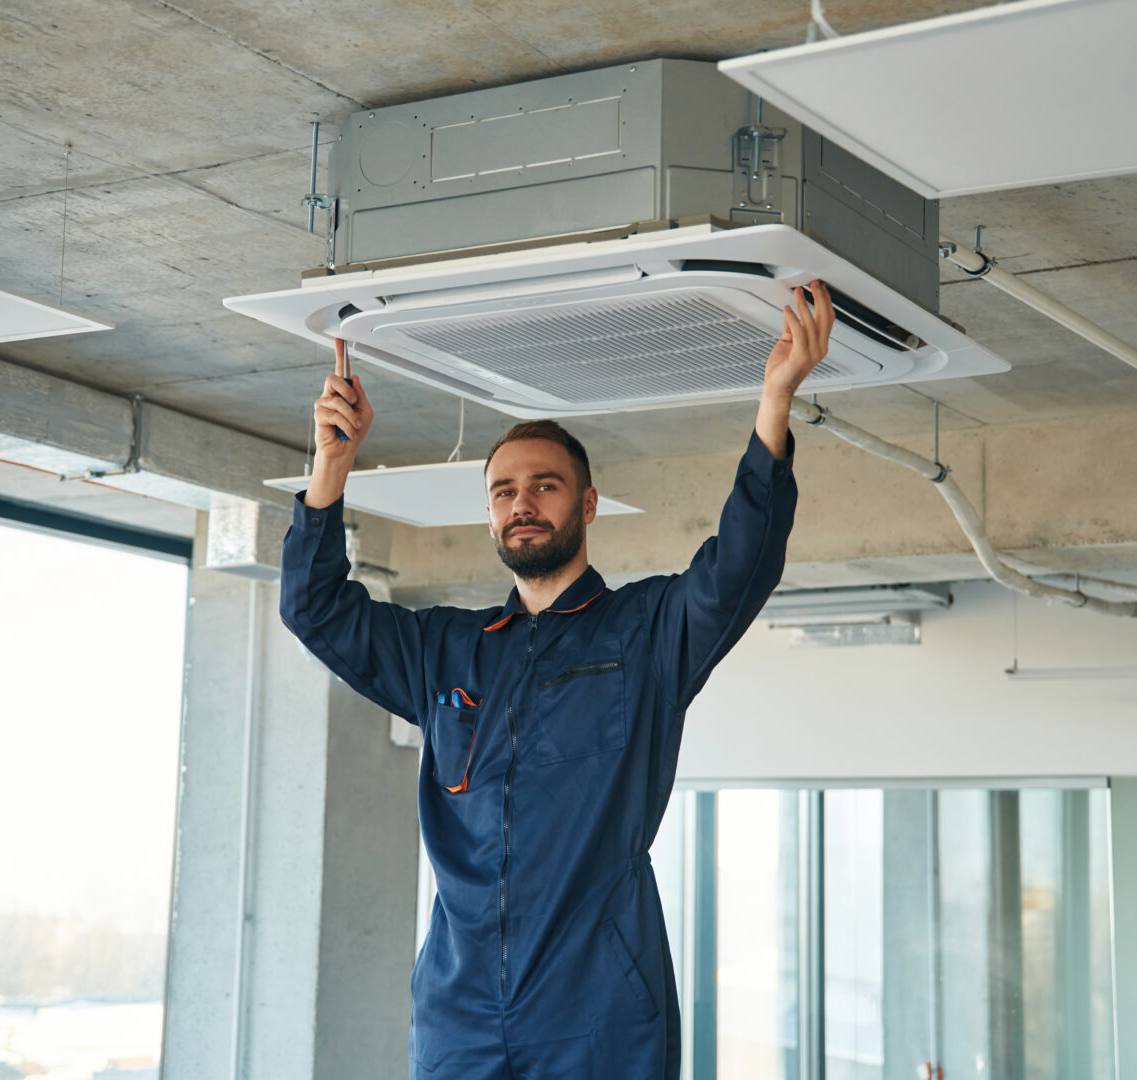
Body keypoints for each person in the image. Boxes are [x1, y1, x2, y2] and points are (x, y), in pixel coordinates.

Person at [281, 282, 836, 1079]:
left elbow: (739, 566)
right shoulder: (447, 651)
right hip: (459, 1011)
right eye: (504, 491)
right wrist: (330, 468)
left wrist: (774, 406)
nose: (523, 503)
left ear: (587, 503)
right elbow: (314, 609)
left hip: (598, 1010)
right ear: (490, 515)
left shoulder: (645, 634)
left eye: (544, 484)